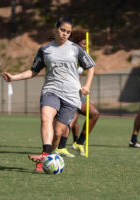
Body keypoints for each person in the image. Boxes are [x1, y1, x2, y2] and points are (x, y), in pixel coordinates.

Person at [2, 16, 95, 171]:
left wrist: (87, 85)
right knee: (46, 117)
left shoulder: (75, 49)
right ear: (56, 28)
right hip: (51, 90)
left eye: (68, 32)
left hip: (71, 95)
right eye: (62, 30)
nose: (65, 34)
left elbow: (91, 66)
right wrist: (14, 78)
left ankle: (45, 159)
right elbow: (33, 71)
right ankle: (45, 154)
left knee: (58, 133)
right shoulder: (45, 50)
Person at [53, 29, 99, 157]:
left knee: (93, 114)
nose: (85, 46)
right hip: (67, 93)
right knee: (71, 119)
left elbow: (90, 69)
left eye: (86, 44)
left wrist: (85, 86)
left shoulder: (81, 55)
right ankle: (61, 146)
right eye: (83, 44)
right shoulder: (68, 54)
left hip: (77, 93)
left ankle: (78, 142)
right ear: (76, 43)